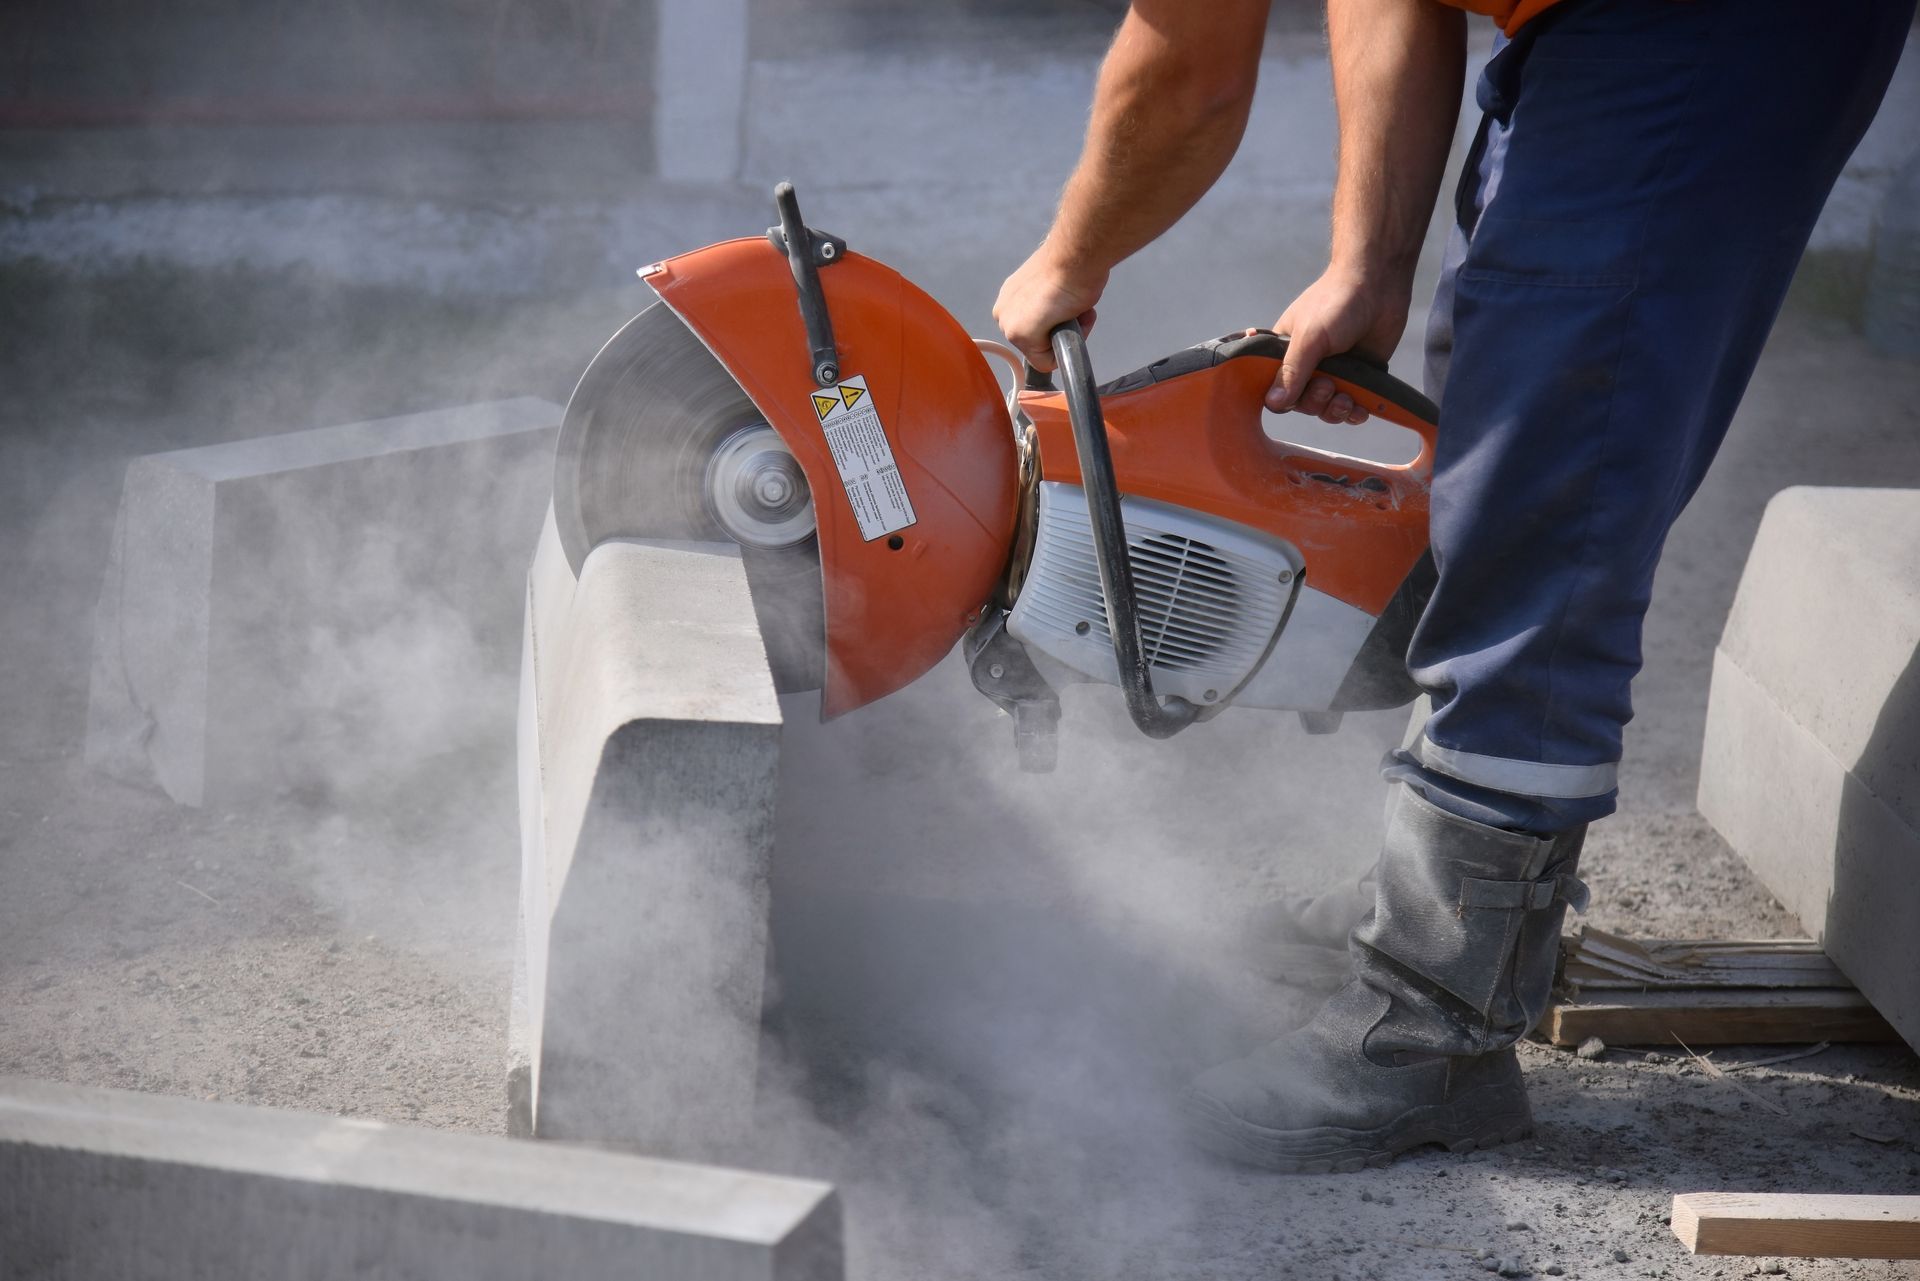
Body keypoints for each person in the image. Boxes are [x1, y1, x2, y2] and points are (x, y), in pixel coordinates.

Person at [993, 0, 1914, 1172]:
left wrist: (1066, 260)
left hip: (1697, 27)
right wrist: (1368, 262)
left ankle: (1434, 1025)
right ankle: (1443, 911)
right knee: (1492, 436)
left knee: (1545, 505)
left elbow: (1190, 75)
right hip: (1583, 32)